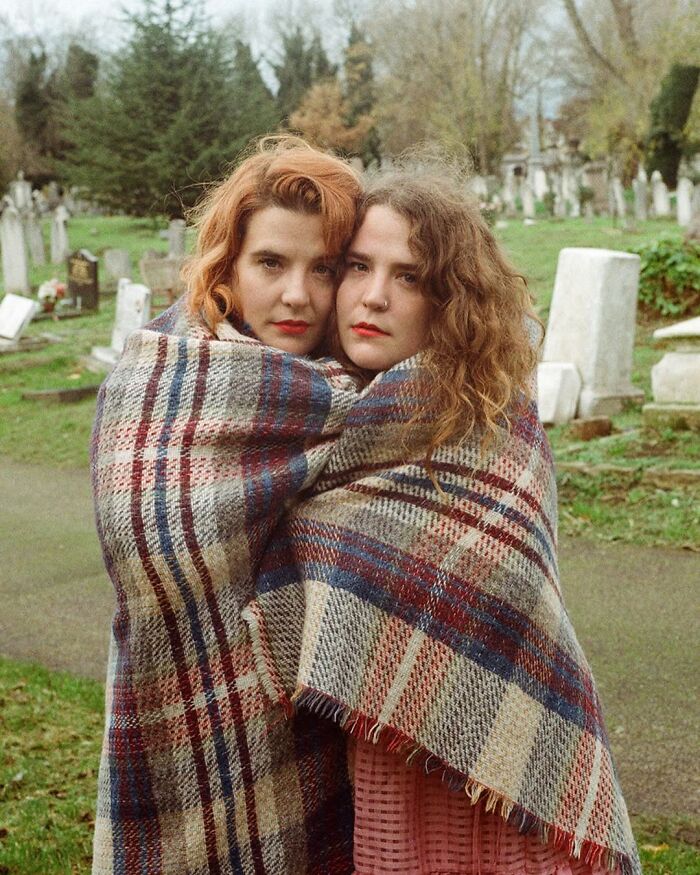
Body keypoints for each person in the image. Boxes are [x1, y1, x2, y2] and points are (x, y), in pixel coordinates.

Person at [246, 166, 641, 875]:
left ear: (450, 297)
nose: (373, 296)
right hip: (354, 770)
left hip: (490, 782)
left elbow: (520, 620)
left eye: (410, 275)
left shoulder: (492, 429)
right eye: (359, 267)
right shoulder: (303, 425)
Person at [90, 136, 363, 875]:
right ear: (229, 265)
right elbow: (146, 546)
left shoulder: (378, 401)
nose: (298, 294)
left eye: (325, 268)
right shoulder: (159, 381)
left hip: (321, 727)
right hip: (179, 713)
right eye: (272, 263)